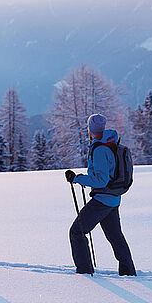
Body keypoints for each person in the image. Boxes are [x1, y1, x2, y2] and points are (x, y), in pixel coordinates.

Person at [65, 113, 136, 276]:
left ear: (90, 129)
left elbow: (101, 180)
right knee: (115, 237)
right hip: (113, 198)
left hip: (102, 200)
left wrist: (77, 178)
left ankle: (84, 272)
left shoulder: (100, 149)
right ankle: (128, 272)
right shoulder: (109, 143)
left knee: (77, 231)